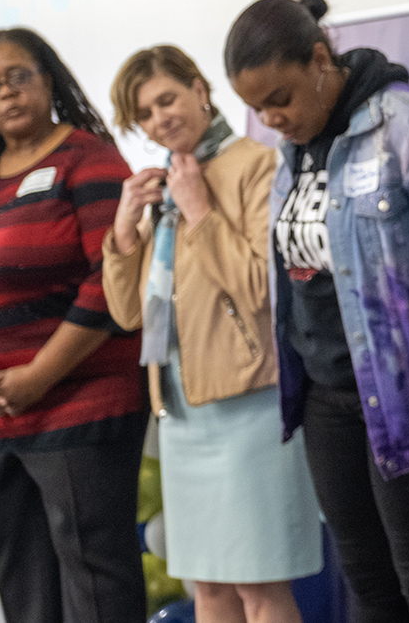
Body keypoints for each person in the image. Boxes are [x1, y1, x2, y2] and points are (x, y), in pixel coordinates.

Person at [225, 0, 409, 623]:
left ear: (320, 58)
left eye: (280, 98)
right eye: (257, 108)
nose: (271, 119)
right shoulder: (292, 151)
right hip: (327, 400)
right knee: (370, 587)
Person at [0, 28, 146, 623]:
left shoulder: (89, 161)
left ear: (48, 77)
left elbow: (111, 282)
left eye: (19, 76)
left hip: (83, 401)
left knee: (95, 586)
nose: (8, 93)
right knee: (22, 585)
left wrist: (37, 375)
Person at [102, 45, 319, 623]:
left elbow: (260, 289)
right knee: (210, 589)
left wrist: (201, 212)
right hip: (182, 407)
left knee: (260, 589)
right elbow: (130, 314)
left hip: (250, 402)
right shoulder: (171, 181)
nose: (160, 119)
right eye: (145, 114)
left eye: (166, 99)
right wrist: (124, 233)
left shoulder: (257, 163)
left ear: (199, 88)